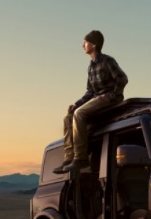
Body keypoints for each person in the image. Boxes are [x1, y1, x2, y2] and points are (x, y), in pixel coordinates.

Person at [54, 30, 128, 174]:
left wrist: (114, 95)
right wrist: (76, 103)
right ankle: (69, 157)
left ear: (94, 45)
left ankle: (81, 158)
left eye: (85, 42)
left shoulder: (107, 61)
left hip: (109, 98)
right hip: (97, 98)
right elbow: (90, 91)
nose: (83, 45)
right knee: (69, 117)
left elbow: (122, 78)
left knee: (79, 114)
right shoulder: (91, 67)